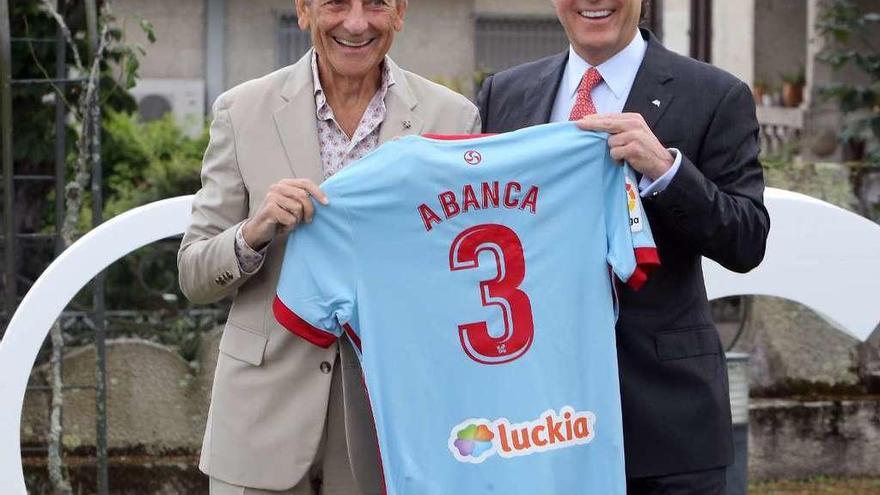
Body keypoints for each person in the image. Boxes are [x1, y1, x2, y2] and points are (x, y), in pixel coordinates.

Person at [177, 0, 480, 493]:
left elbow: (459, 275)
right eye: (336, 3)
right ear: (303, 10)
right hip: (258, 424)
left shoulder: (453, 116)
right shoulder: (241, 110)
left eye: (376, 5)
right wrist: (255, 230)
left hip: (391, 424)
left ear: (400, 13)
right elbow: (193, 274)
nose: (356, 23)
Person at [477, 1, 770, 493]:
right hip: (536, 418)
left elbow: (747, 241)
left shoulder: (716, 94)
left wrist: (667, 169)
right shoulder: (504, 94)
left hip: (667, 426)